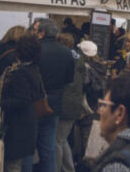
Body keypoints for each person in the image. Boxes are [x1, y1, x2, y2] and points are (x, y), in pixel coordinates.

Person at [31, 18, 74, 172]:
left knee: (29, 146)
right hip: (54, 105)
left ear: (41, 33)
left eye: (36, 31)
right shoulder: (67, 52)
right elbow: (69, 79)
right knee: (48, 147)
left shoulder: (34, 50)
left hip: (34, 103)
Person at [0, 35, 45, 172]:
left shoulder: (21, 73)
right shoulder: (34, 70)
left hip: (17, 126)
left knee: (12, 166)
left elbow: (22, 100)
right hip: (27, 124)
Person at [57, 33, 86, 172]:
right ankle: (68, 168)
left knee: (57, 141)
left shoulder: (64, 59)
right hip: (74, 104)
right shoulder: (79, 59)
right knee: (62, 140)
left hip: (64, 104)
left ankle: (56, 168)